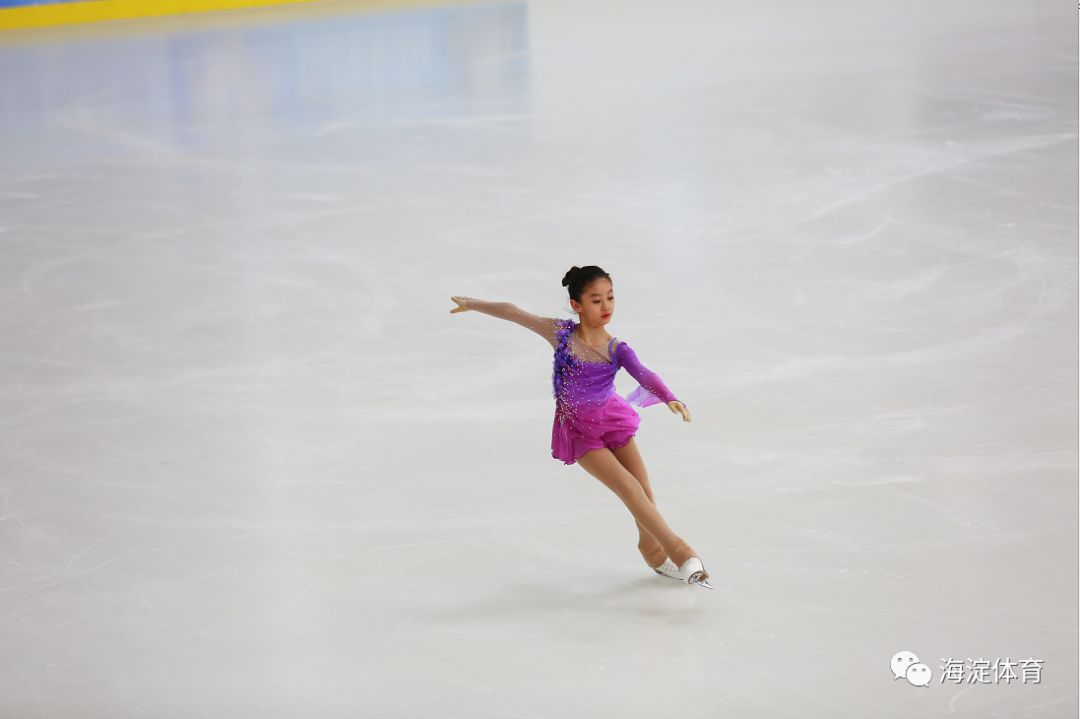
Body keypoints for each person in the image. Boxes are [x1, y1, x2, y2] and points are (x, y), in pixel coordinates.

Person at [449, 265, 712, 589]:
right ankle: (679, 550)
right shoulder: (560, 335)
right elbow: (513, 312)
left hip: (611, 420)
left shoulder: (617, 349)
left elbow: (644, 374)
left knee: (644, 491)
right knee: (628, 488)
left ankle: (652, 551)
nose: (606, 307)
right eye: (596, 300)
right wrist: (472, 303)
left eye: (610, 298)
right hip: (578, 430)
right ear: (577, 305)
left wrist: (670, 398)